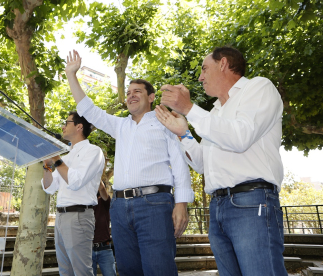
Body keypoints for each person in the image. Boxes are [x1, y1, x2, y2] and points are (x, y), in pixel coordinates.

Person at [156, 46, 287, 276]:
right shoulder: (214, 113)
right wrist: (183, 134)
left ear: (223, 64)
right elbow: (203, 164)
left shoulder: (259, 87)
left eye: (205, 69)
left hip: (251, 202)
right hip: (218, 207)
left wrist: (188, 108)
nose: (200, 77)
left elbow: (240, 137)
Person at [65, 50, 194, 276]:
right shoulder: (120, 125)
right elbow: (89, 110)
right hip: (120, 208)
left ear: (151, 97)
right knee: (127, 270)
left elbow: (180, 162)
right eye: (128, 92)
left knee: (158, 269)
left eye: (138, 91)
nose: (131, 95)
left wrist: (181, 202)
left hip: (155, 205)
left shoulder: (166, 121)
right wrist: (71, 75)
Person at [41, 111, 105, 276]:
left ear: (79, 126)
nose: (63, 126)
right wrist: (46, 167)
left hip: (78, 216)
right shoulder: (66, 157)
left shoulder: (93, 151)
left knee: (81, 271)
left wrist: (56, 159)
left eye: (67, 122)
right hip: (61, 217)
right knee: (65, 271)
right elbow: (48, 188)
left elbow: (76, 181)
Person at [91, 181, 116, 276]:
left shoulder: (105, 202)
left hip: (105, 248)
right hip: (87, 249)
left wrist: (95, 174)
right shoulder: (84, 204)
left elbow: (101, 188)